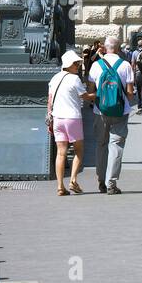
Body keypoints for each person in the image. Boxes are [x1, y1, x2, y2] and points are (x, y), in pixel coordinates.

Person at [89, 35, 135, 194]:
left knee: (101, 144)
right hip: (120, 111)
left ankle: (101, 181)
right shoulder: (126, 65)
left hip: (100, 111)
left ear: (105, 48)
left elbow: (91, 91)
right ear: (118, 49)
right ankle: (111, 183)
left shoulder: (95, 65)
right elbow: (130, 92)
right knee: (116, 146)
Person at [48, 50, 95, 196]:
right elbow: (86, 97)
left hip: (57, 119)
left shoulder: (54, 78)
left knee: (61, 153)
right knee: (79, 151)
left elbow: (49, 101)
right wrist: (98, 95)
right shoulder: (74, 79)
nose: (78, 65)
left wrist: (50, 117)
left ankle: (60, 186)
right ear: (68, 64)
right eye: (76, 63)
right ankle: (73, 180)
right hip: (72, 118)